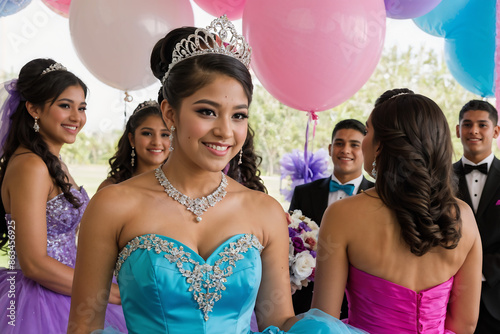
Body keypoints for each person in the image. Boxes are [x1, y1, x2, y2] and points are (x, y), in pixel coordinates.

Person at [67, 16, 367, 334]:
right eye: (207, 111)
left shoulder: (264, 211)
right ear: (170, 112)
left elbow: (277, 321)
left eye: (238, 115)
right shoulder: (113, 205)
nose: (225, 131)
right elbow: (84, 326)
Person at [312, 88, 482, 333]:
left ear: (384, 144)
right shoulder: (463, 216)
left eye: (368, 130)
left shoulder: (342, 215)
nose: (364, 140)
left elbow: (323, 322)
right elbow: (465, 325)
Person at [0, 58, 126, 333]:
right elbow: (33, 263)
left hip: (71, 286)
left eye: (81, 108)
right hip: (44, 299)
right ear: (33, 108)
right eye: (64, 106)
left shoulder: (53, 163)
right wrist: (110, 293)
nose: (76, 117)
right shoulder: (30, 166)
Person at [289, 119, 374, 316]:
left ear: (366, 150)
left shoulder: (377, 195)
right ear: (330, 148)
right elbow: (291, 243)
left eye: (355, 145)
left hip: (358, 304)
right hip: (306, 300)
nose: (345, 150)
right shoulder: (304, 192)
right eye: (339, 143)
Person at [454, 100, 500, 333]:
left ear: (495, 131)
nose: (473, 130)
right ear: (457, 130)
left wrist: (481, 269)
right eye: (467, 124)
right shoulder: (438, 180)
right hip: (450, 297)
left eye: (482, 125)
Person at [97, 100, 170, 191]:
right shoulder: (110, 187)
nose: (157, 142)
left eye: (165, 135)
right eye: (147, 133)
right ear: (132, 139)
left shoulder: (183, 187)